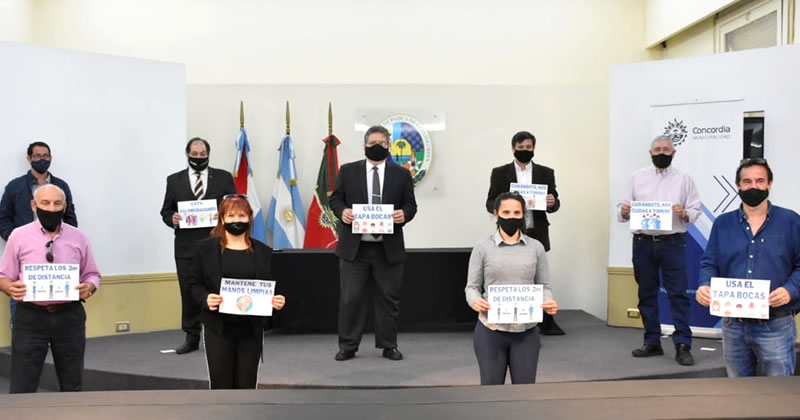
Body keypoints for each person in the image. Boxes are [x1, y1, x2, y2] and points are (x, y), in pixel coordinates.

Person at [696, 158, 800, 377]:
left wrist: (790, 290)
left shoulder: (791, 221)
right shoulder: (722, 224)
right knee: (739, 392)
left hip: (776, 325)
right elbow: (709, 263)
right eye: (747, 181)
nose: (754, 186)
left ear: (770, 184)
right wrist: (705, 285)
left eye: (760, 181)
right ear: (738, 185)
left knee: (777, 391)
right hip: (733, 326)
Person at [329, 125, 418, 361]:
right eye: (372, 143)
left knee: (389, 299)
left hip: (388, 248)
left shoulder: (401, 174)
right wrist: (343, 212)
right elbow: (335, 199)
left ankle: (389, 345)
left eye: (382, 143)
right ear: (364, 146)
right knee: (350, 299)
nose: (377, 147)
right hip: (355, 249)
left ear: (389, 146)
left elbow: (411, 205)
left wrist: (403, 214)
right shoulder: (348, 171)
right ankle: (348, 345)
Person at [0, 184, 100, 393]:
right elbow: (3, 276)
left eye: (57, 204)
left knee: (72, 384)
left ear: (65, 207)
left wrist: (89, 287)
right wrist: (9, 286)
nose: (52, 208)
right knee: (22, 385)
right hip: (30, 317)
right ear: (34, 205)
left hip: (69, 316)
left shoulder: (79, 237)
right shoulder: (18, 236)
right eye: (45, 203)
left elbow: (92, 274)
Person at [618, 135, 700, 366]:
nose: (661, 153)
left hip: (673, 242)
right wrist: (624, 211)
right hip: (643, 242)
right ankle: (652, 341)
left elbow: (695, 210)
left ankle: (683, 344)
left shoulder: (684, 179)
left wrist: (685, 213)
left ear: (673, 153)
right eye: (657, 149)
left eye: (666, 149)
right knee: (646, 293)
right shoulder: (637, 177)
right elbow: (622, 209)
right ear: (650, 153)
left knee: (678, 294)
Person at [187, 195, 285, 389]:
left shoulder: (263, 252)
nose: (236, 220)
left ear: (249, 218)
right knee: (221, 384)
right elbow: (193, 283)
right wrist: (205, 298)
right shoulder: (205, 249)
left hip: (250, 329)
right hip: (218, 328)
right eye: (231, 216)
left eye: (241, 216)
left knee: (247, 384)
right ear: (222, 219)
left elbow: (272, 286)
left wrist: (277, 301)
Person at [466, 192, 558, 385]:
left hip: (526, 332)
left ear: (523, 214)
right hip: (490, 330)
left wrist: (548, 301)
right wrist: (475, 301)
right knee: (491, 391)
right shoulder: (482, 248)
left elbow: (544, 286)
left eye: (517, 213)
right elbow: (472, 287)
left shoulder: (536, 247)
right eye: (506, 212)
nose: (511, 217)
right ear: (496, 213)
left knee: (524, 393)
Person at [160, 137, 236, 354]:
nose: (198, 158)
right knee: (189, 292)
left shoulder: (223, 178)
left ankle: (224, 335)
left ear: (208, 155)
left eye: (203, 154)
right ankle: (191, 336)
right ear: (187, 155)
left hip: (217, 245)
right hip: (186, 247)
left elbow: (235, 205)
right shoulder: (174, 180)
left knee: (219, 289)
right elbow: (166, 211)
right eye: (194, 154)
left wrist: (225, 215)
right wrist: (172, 218)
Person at [485, 131, 563, 335]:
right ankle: (510, 318)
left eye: (528, 148)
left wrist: (552, 202)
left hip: (536, 231)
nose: (525, 151)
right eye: (521, 148)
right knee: (510, 274)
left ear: (534, 148)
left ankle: (544, 321)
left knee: (539, 277)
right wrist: (503, 204)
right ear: (513, 149)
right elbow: (490, 202)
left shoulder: (546, 173)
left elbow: (555, 202)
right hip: (509, 232)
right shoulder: (499, 172)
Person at [0, 141, 78, 324]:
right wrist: (16, 239)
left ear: (51, 158)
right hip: (26, 258)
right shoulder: (15, 187)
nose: (42, 159)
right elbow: (3, 217)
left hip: (59, 259)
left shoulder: (62, 186)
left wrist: (67, 241)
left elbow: (70, 217)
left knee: (62, 313)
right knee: (22, 308)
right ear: (29, 159)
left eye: (45, 156)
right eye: (37, 156)